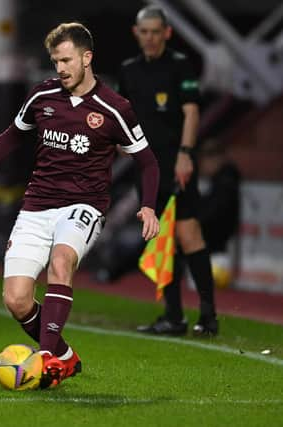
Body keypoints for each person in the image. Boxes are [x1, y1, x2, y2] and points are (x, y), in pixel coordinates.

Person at [0, 22, 160, 389]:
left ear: (87, 57)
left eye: (66, 60)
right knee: (16, 300)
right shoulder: (43, 96)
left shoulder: (115, 108)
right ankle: (63, 355)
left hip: (84, 206)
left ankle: (46, 360)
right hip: (36, 207)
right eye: (55, 61)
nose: (59, 68)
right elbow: (14, 134)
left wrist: (149, 205)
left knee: (62, 262)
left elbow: (148, 161)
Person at [119, 6, 219, 336]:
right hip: (146, 168)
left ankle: (208, 316)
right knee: (160, 240)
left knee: (189, 235)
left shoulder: (179, 66)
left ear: (167, 33)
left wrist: (186, 154)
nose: (149, 37)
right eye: (144, 32)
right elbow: (121, 115)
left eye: (155, 31)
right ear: (136, 34)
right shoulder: (129, 70)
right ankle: (173, 316)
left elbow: (191, 113)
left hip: (177, 164)